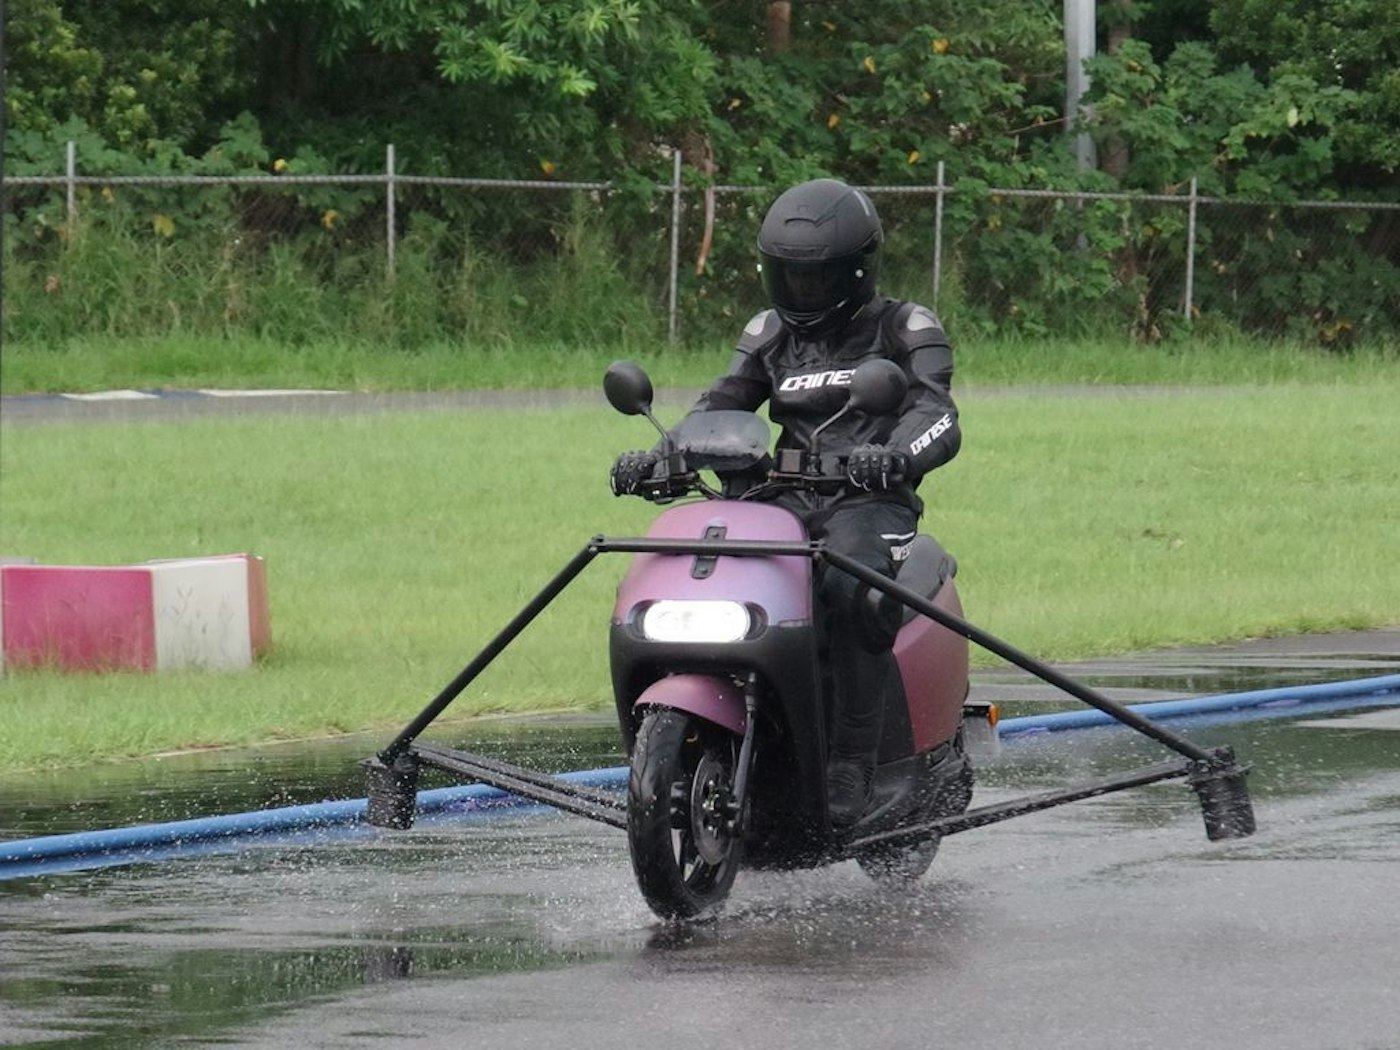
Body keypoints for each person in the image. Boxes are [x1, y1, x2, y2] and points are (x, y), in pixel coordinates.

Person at [610, 177, 961, 828]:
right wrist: (662, 456)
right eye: (790, 278)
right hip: (780, 497)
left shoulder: (906, 326)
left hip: (868, 501)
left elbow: (937, 413)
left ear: (856, 271)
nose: (803, 293)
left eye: (818, 279)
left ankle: (851, 762)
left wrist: (896, 456)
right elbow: (721, 403)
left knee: (851, 593)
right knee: (707, 576)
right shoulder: (770, 332)